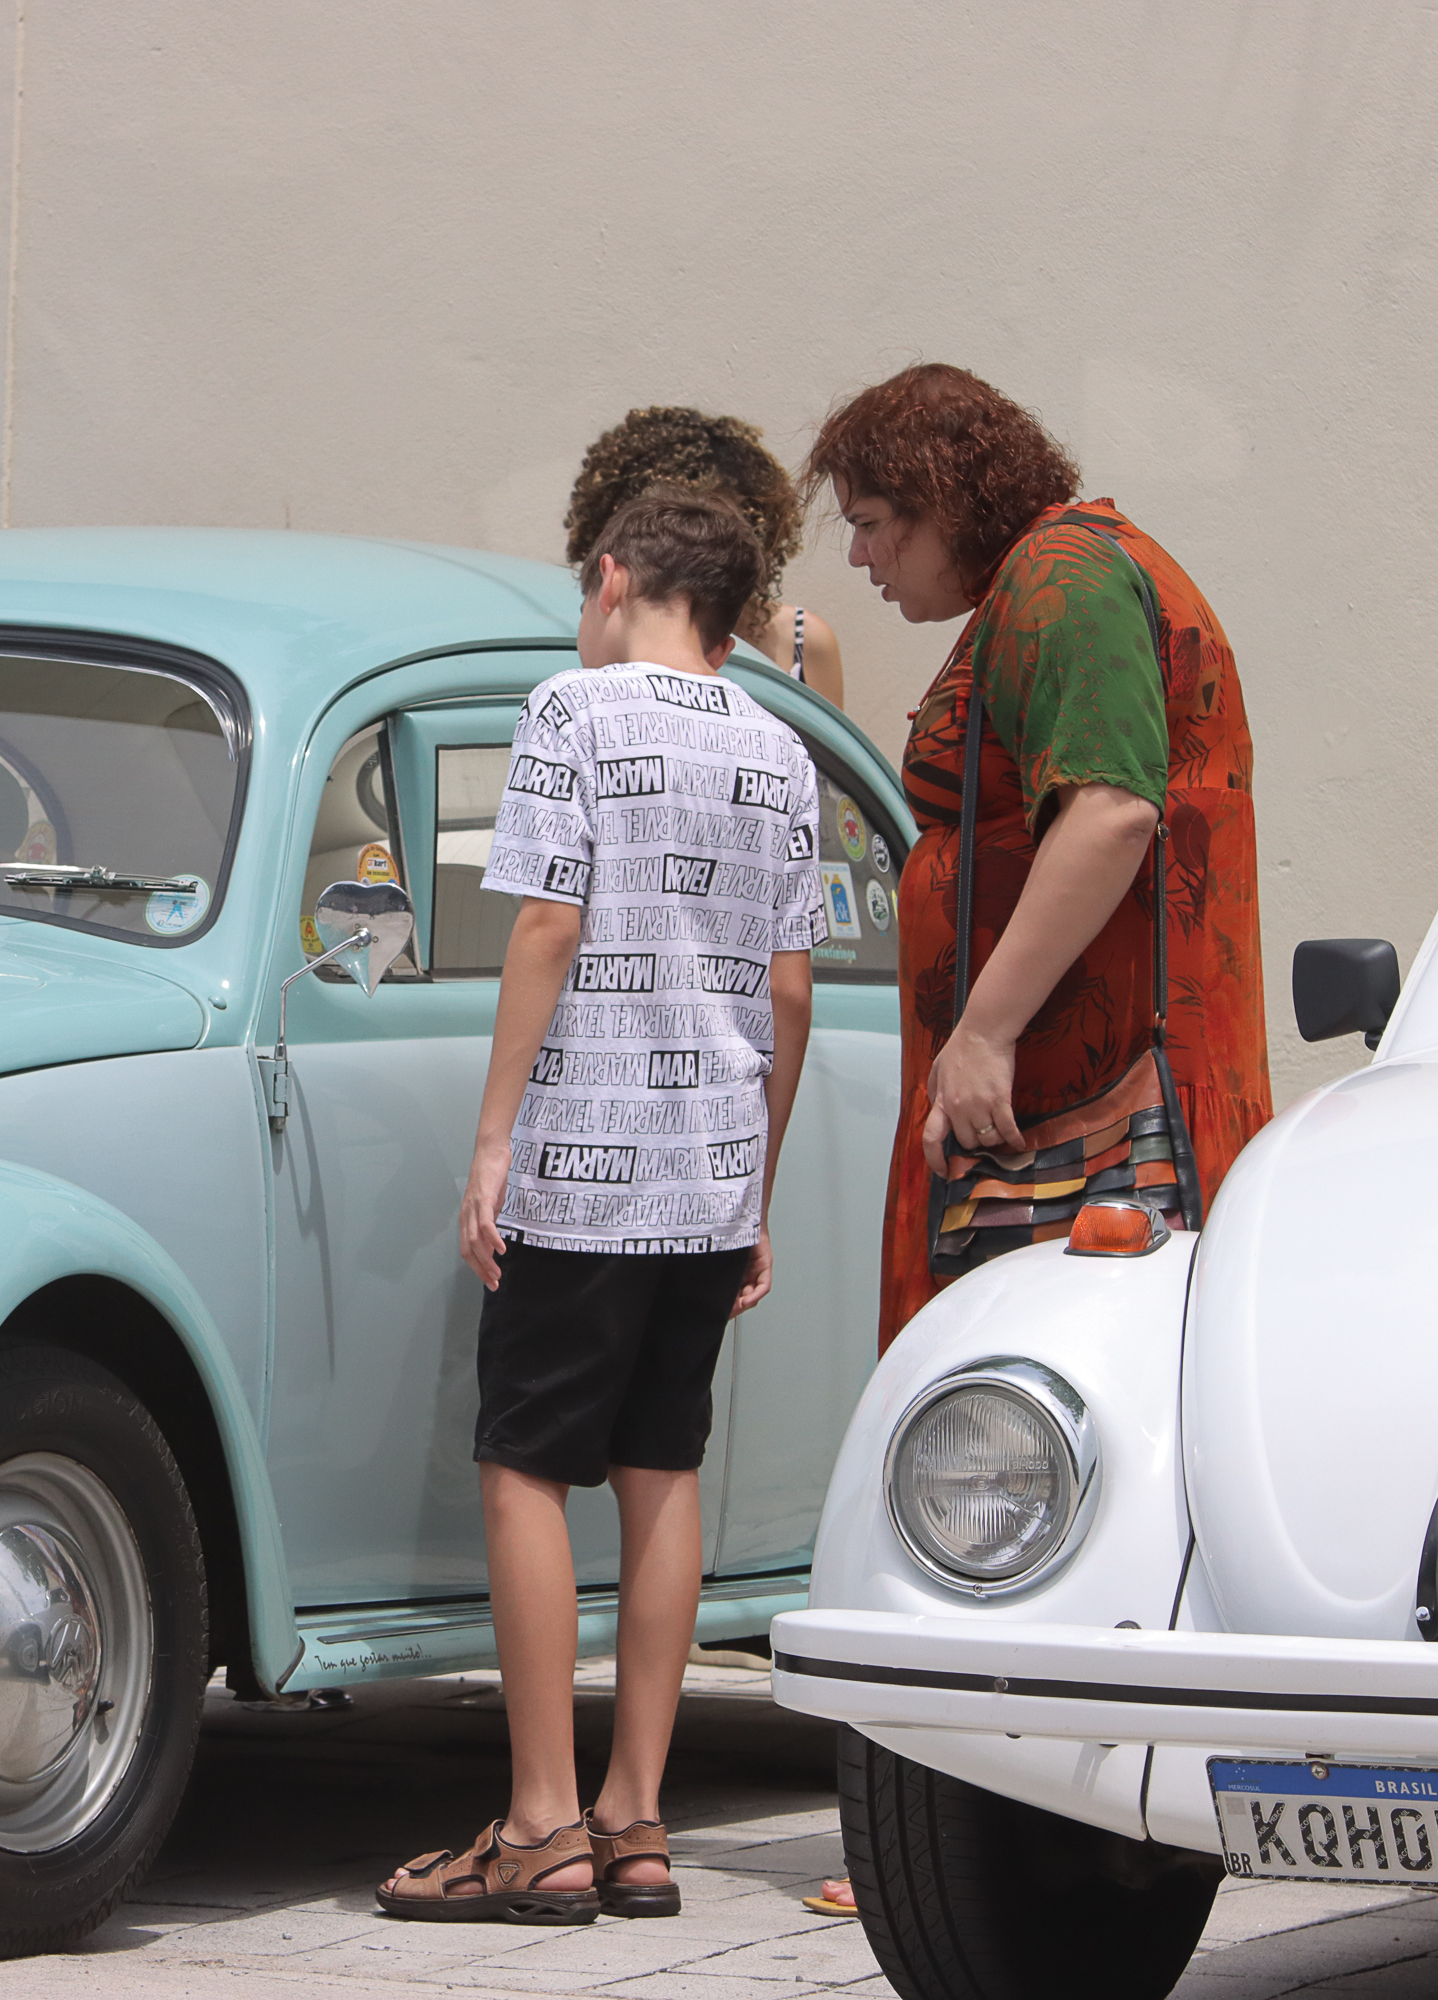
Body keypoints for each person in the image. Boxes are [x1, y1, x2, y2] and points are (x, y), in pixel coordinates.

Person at [800, 363, 1270, 1916]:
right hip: (1049, 1105)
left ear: (946, 493)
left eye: (872, 520)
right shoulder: (1040, 585)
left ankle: (989, 1847)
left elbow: (1115, 811)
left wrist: (985, 1030)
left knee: (1013, 1487)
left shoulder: (1065, 578)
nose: (860, 557)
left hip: (1085, 1119)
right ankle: (979, 1837)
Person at [377, 486, 820, 1926]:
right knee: (662, 1470)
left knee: (524, 1467)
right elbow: (792, 987)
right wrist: (754, 1175)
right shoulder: (780, 743)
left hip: (585, 1160)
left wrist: (496, 1140)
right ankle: (637, 1819)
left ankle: (537, 1821)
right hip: (706, 1171)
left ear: (617, 576)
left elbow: (548, 924)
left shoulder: (574, 708)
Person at [566, 406, 846, 706]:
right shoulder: (596, 632)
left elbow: (828, 750)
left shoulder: (803, 639)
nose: (703, 545)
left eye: (721, 525)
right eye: (671, 529)